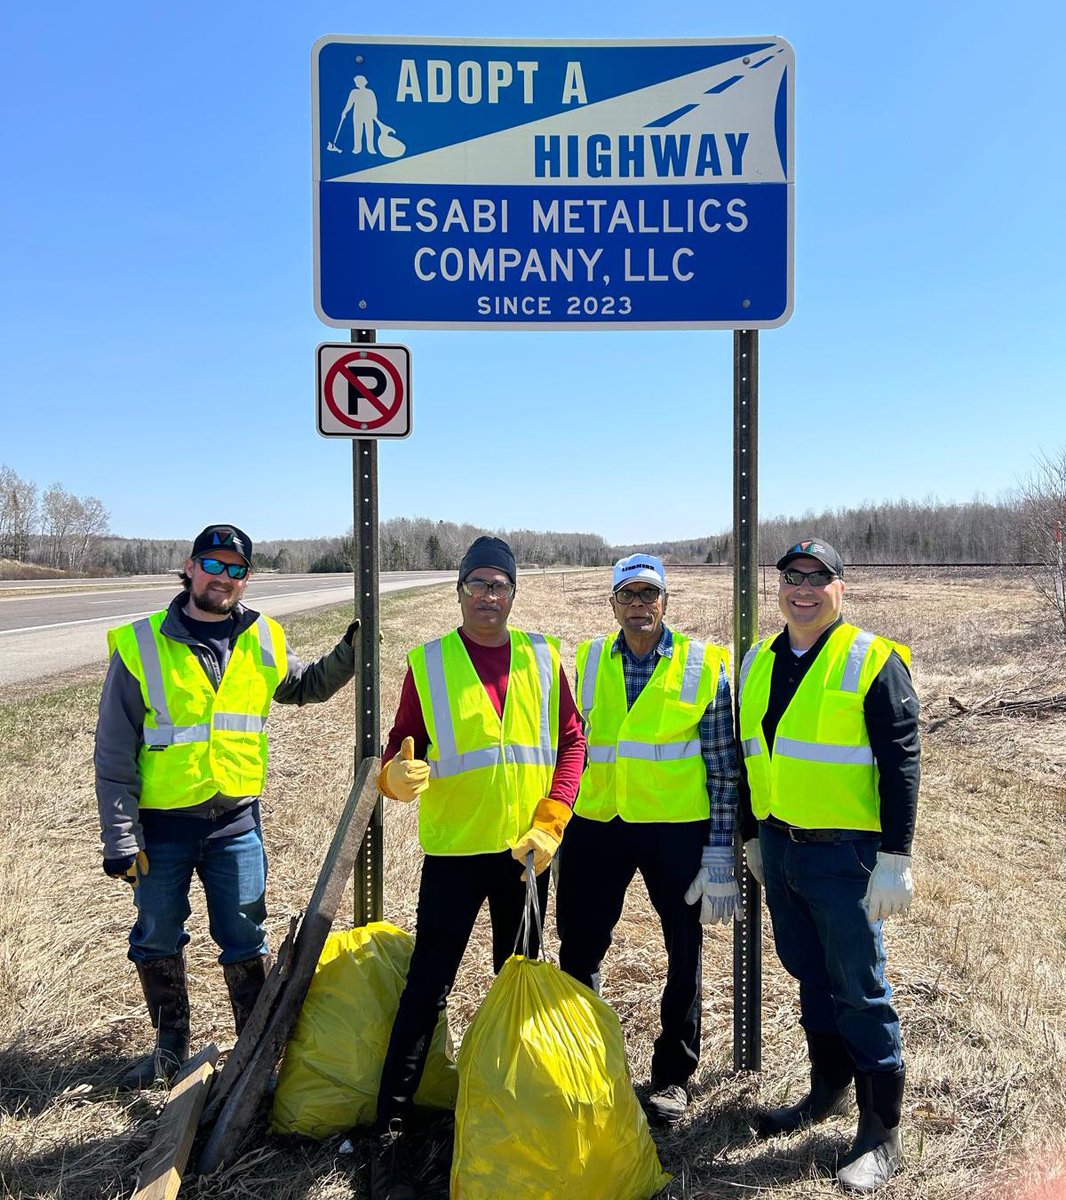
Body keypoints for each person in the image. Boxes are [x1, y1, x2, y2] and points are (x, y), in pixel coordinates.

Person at [95, 523, 358, 1089]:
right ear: (190, 568)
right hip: (161, 827)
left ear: (247, 579)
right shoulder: (142, 645)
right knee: (156, 934)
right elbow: (114, 752)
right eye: (212, 565)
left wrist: (349, 655)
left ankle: (254, 1054)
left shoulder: (263, 637)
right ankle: (169, 1051)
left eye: (236, 570)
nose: (223, 577)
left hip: (235, 822)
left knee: (244, 933)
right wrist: (120, 836)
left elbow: (303, 686)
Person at [369, 536, 585, 1200]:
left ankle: (510, 1111)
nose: (488, 596)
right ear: (459, 590)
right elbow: (400, 748)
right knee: (426, 988)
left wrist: (553, 817)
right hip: (456, 855)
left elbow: (572, 739)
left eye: (499, 585)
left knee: (516, 986)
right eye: (477, 584)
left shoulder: (544, 656)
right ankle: (390, 1134)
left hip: (525, 856)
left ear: (514, 593)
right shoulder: (430, 664)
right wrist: (394, 779)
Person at [738, 538, 920, 1193]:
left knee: (858, 987)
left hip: (845, 855)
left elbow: (901, 761)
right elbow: (749, 750)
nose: (804, 590)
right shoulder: (758, 659)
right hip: (780, 846)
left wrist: (895, 856)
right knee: (810, 973)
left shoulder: (873, 660)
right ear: (779, 587)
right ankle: (827, 1092)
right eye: (793, 577)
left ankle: (881, 1132)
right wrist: (751, 836)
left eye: (819, 578)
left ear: (841, 587)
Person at [555, 553, 741, 1128]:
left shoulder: (703, 665)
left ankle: (674, 1076)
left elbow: (723, 765)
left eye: (649, 594)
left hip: (674, 828)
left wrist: (720, 849)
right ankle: (583, 1064)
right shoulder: (587, 660)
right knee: (578, 947)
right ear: (613, 604)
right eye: (628, 595)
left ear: (665, 601)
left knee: (684, 950)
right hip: (598, 823)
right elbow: (569, 743)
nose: (639, 605)